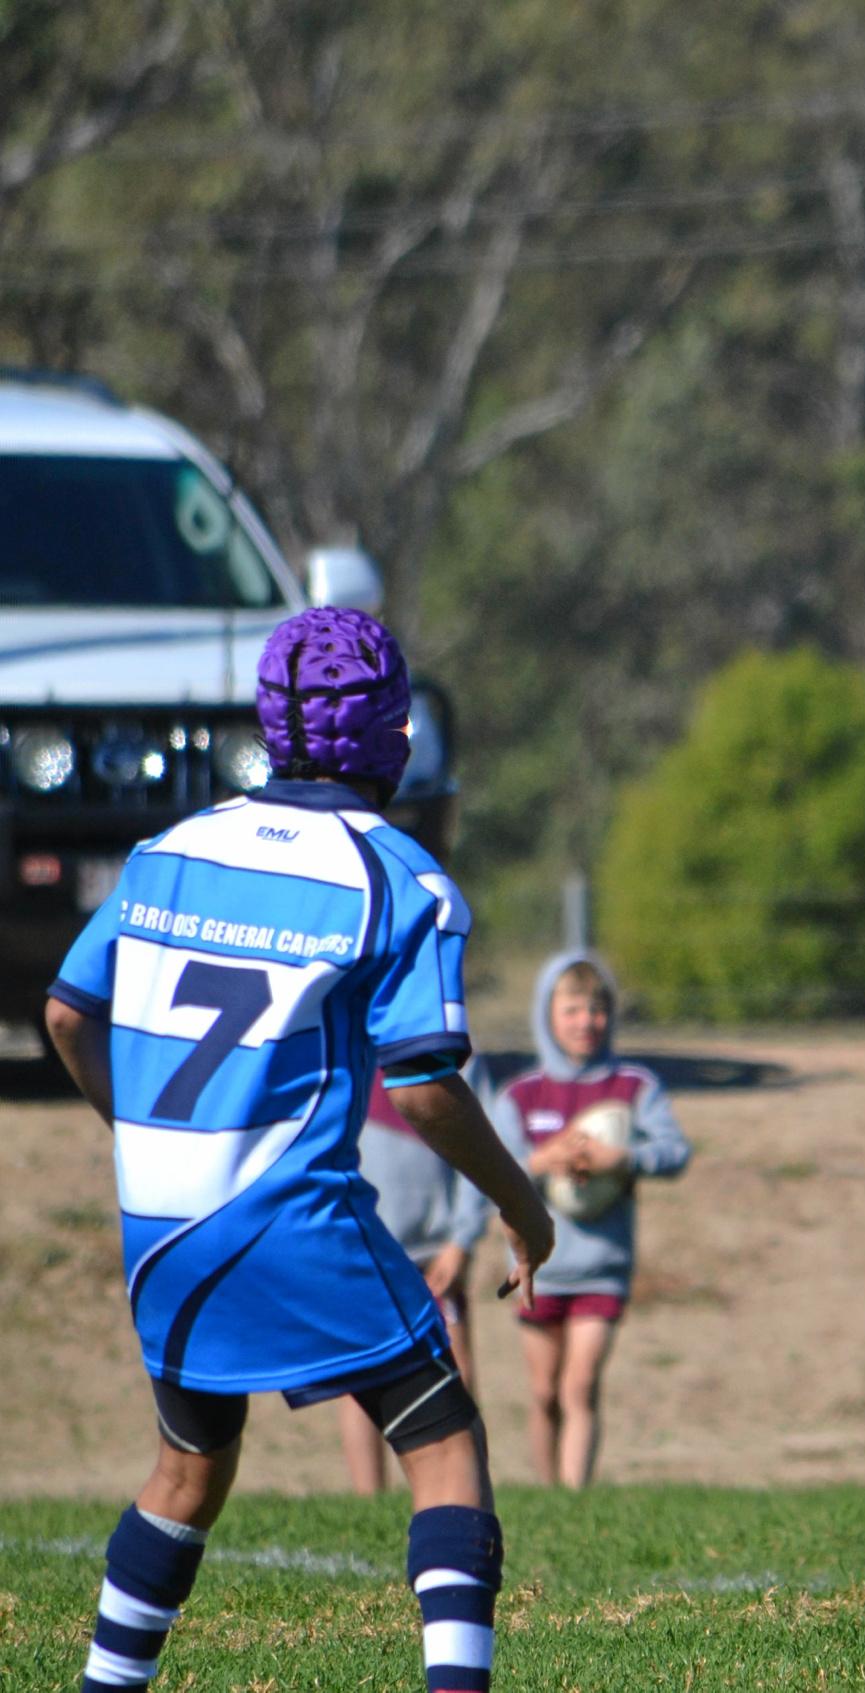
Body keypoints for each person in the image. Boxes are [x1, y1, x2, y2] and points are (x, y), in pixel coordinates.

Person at [41, 606, 552, 1693]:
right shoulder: (398, 878)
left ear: (269, 727)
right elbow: (423, 1088)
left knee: (188, 1468)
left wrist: (144, 1137)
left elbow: (67, 1017)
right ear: (396, 739)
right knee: (445, 1438)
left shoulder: (165, 851)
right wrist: (524, 1204)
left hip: (160, 1220)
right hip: (285, 1212)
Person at [479, 952, 690, 1489]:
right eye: (572, 1009)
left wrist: (623, 1159)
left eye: (597, 1009)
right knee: (544, 1392)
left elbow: (674, 1152)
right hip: (537, 1267)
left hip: (602, 1265)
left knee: (579, 1387)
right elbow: (488, 1171)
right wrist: (539, 1163)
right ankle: (549, 1493)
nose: (585, 1021)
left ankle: (575, 1496)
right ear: (547, 1015)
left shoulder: (633, 1087)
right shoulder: (521, 1096)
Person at [340, 1066, 492, 1494]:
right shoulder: (343, 1037)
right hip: (363, 1247)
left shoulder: (455, 1051)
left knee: (456, 1376)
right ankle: (368, 1504)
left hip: (437, 1256)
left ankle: (461, 1496)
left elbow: (481, 1148)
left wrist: (461, 1240)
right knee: (360, 1378)